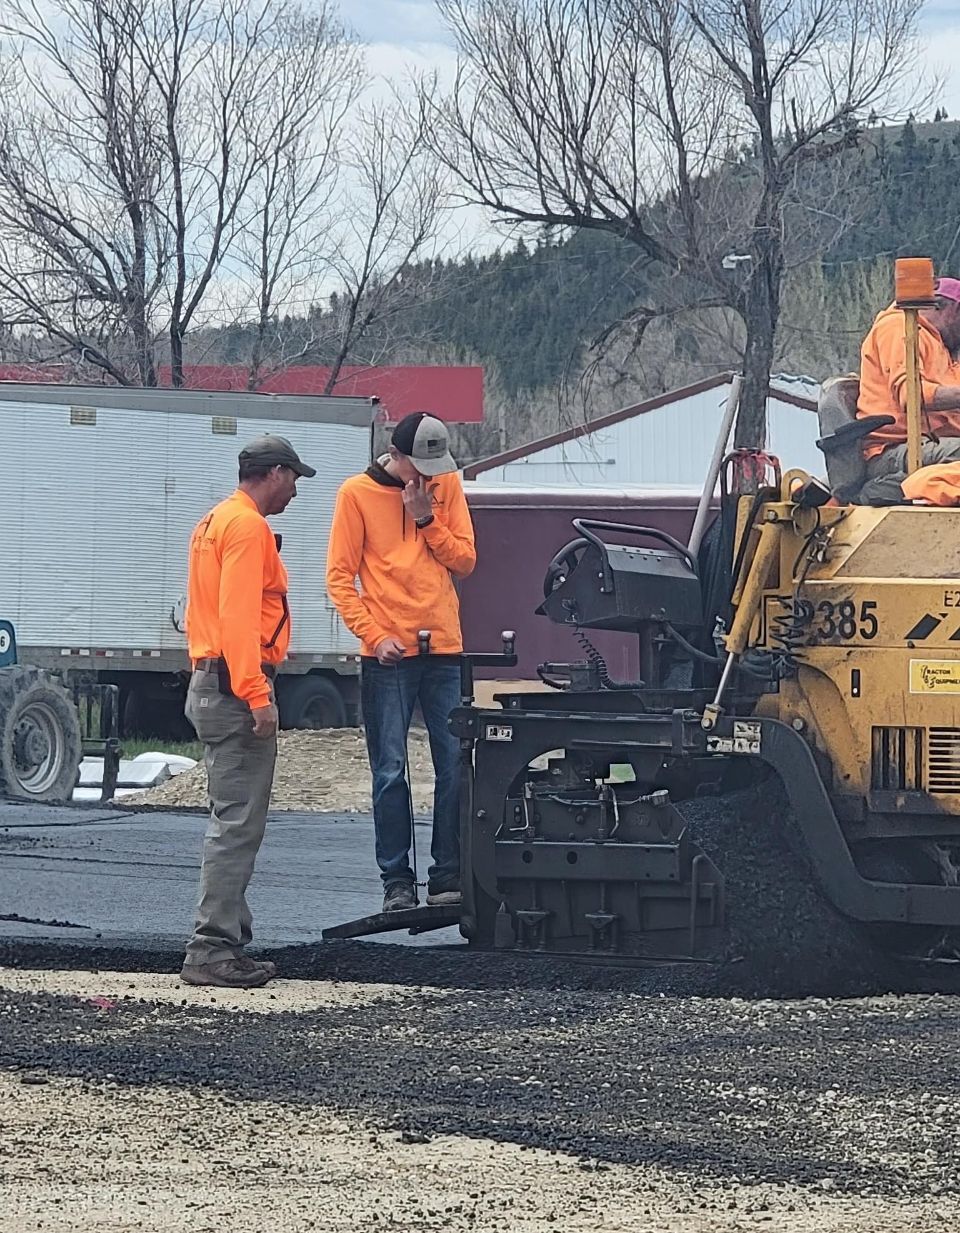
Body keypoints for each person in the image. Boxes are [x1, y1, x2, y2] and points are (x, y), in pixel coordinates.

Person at [326, 412, 477, 913]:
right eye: (421, 466)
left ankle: (446, 874)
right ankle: (397, 880)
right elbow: (339, 579)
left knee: (454, 764)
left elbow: (465, 561)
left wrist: (427, 519)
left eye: (436, 466)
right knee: (391, 769)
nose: (430, 475)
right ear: (396, 455)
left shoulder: (445, 486)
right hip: (389, 654)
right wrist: (374, 635)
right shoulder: (356, 494)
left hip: (445, 648)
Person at [180, 434, 316, 988]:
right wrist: (257, 695)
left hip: (212, 680)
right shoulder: (246, 526)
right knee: (236, 825)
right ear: (275, 472)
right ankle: (212, 950)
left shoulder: (214, 521)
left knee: (231, 818)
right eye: (294, 479)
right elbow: (237, 618)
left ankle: (229, 939)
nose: (295, 491)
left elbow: (207, 612)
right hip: (235, 688)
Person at [857, 276, 960, 484]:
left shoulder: (942, 348)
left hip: (930, 445)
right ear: (954, 310)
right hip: (893, 451)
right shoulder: (901, 328)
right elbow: (911, 395)